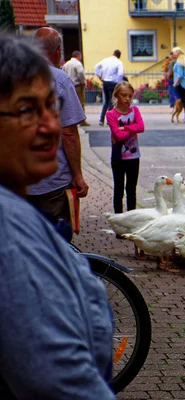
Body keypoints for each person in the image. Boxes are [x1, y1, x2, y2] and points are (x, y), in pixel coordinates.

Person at [0, 33, 115, 399]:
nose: (49, 124)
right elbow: (61, 380)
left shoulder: (20, 217)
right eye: (26, 110)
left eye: (50, 106)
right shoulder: (10, 233)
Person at [27, 27, 89, 232]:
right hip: (51, 181)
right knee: (55, 246)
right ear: (58, 52)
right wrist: (78, 175)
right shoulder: (59, 79)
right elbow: (69, 133)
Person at [106, 81, 144, 215]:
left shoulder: (135, 111)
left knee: (131, 189)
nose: (127, 99)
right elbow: (118, 135)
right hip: (119, 157)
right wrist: (131, 129)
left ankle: (131, 218)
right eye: (124, 95)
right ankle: (118, 219)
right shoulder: (111, 114)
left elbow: (141, 127)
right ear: (116, 95)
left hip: (133, 157)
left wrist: (125, 127)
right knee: (118, 189)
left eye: (130, 96)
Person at [95, 49, 124, 126]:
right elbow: (121, 74)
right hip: (113, 83)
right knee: (112, 101)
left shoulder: (105, 60)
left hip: (105, 82)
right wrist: (119, 82)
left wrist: (100, 76)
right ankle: (109, 120)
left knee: (106, 101)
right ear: (119, 56)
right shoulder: (119, 62)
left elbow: (96, 67)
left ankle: (101, 119)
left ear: (113, 53)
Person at [62, 50, 90, 126]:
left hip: (68, 85)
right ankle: (82, 121)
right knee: (80, 103)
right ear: (78, 56)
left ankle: (71, 121)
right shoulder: (77, 63)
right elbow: (80, 73)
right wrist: (83, 82)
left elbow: (63, 73)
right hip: (77, 85)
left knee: (70, 103)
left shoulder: (66, 64)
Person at [172, 47, 185, 121]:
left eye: (173, 53)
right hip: (184, 83)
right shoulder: (183, 61)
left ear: (177, 53)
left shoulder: (179, 63)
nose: (173, 54)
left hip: (180, 84)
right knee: (184, 99)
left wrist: (176, 83)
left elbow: (180, 75)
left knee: (182, 100)